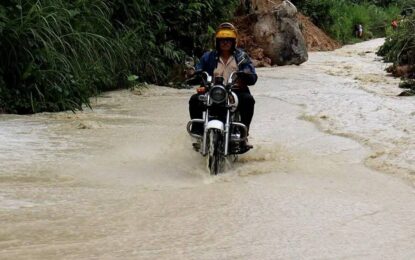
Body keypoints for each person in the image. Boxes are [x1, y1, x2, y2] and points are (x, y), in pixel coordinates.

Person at [188, 22, 257, 147]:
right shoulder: (208, 57)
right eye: (222, 40)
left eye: (228, 40)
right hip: (213, 91)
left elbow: (252, 74)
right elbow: (198, 69)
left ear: (233, 42)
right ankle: (198, 132)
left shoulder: (242, 57)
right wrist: (193, 73)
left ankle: (243, 134)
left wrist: (246, 74)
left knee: (248, 100)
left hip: (235, 92)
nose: (225, 43)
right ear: (217, 42)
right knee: (194, 100)